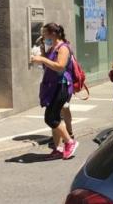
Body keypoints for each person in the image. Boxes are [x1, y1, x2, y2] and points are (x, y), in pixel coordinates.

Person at [30, 23, 79, 160]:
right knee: (55, 117)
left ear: (53, 34)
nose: (43, 36)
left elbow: (59, 66)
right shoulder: (53, 47)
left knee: (50, 118)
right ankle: (58, 148)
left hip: (61, 86)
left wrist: (42, 58)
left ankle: (70, 141)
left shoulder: (63, 48)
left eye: (45, 33)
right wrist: (42, 52)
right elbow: (48, 64)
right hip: (52, 86)